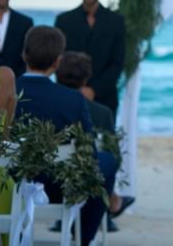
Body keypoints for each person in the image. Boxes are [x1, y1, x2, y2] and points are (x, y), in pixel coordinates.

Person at [15, 26, 116, 246]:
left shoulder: (6, 91)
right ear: (57, 62)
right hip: (56, 188)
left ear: (24, 54)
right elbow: (87, 152)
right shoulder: (72, 100)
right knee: (107, 161)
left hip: (12, 182)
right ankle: (83, 238)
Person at [56, 51, 134, 231]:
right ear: (86, 79)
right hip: (86, 189)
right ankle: (110, 204)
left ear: (57, 74)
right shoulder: (101, 113)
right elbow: (113, 154)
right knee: (108, 160)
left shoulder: (47, 105)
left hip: (44, 187)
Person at [55, 0, 125, 115]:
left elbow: (117, 63)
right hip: (68, 96)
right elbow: (58, 60)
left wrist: (94, 90)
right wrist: (76, 89)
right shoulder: (64, 21)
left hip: (105, 98)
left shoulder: (116, 22)